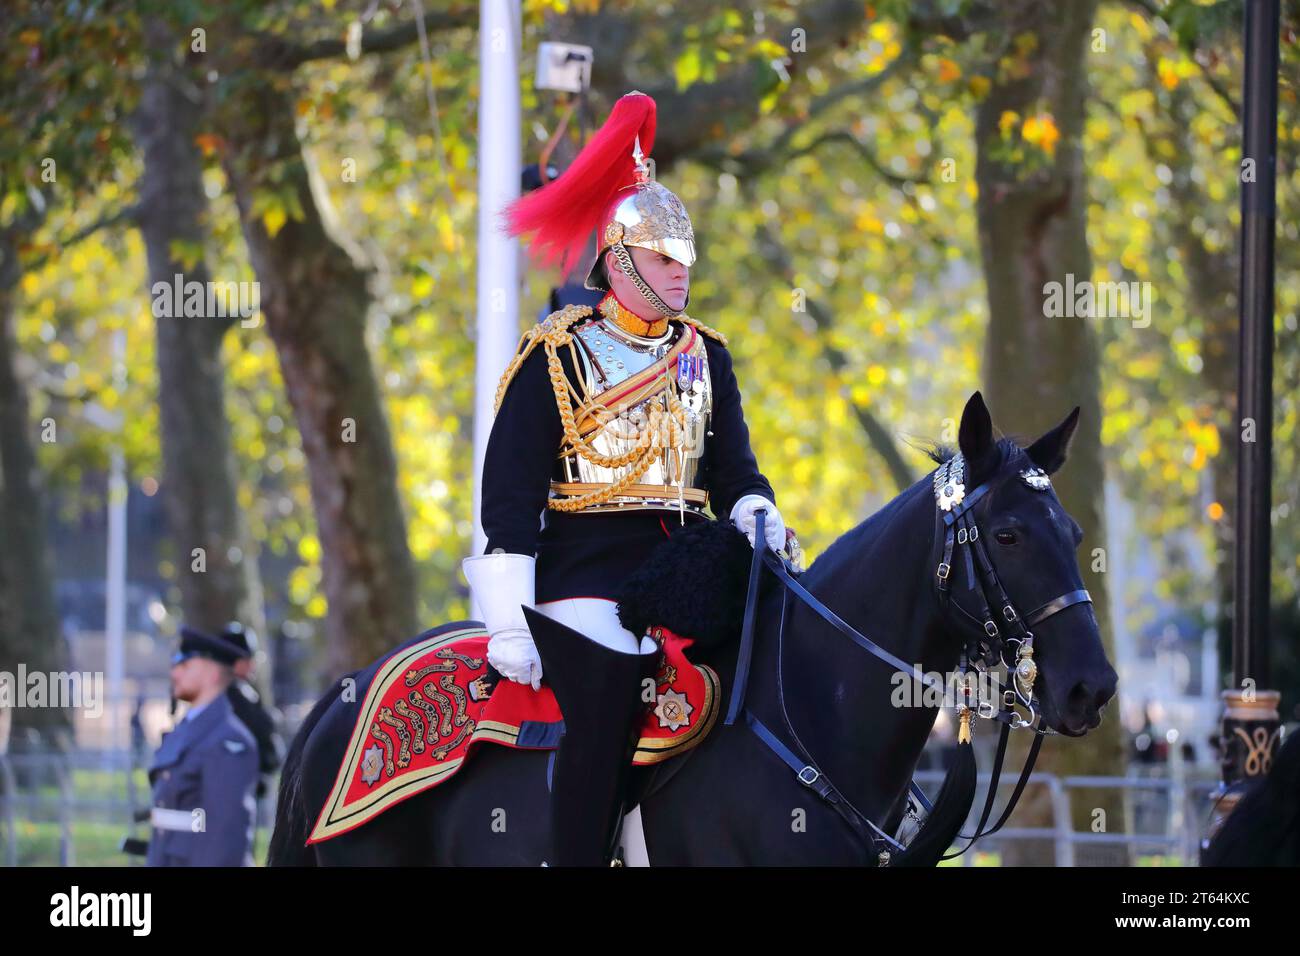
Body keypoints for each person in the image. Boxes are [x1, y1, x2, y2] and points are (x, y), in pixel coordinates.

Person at [462, 91, 789, 866]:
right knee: (611, 694)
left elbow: (736, 468)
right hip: (588, 571)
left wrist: (756, 510)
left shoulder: (706, 354)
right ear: (618, 260)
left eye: (685, 260)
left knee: (792, 654)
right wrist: (510, 616)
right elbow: (508, 499)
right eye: (662, 260)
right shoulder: (555, 352)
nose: (680, 274)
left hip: (691, 561)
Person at [146, 626, 259, 866]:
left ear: (212, 674)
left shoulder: (230, 741)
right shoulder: (188, 730)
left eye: (185, 666)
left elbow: (225, 836)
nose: (175, 674)